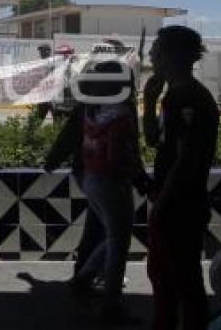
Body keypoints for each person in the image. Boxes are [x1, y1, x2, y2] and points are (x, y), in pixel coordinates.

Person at [143, 25, 218, 330]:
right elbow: (153, 141)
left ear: (174, 55)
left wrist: (161, 204)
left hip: (179, 204)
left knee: (180, 280)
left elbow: (185, 160)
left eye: (157, 50)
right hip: (172, 201)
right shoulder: (172, 96)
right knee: (165, 277)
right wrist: (148, 101)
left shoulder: (188, 99)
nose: (151, 56)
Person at [69, 60, 145, 323]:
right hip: (112, 181)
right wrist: (136, 178)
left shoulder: (93, 106)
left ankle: (83, 278)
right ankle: (110, 303)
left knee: (113, 236)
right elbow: (121, 154)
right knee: (119, 242)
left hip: (91, 176)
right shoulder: (122, 114)